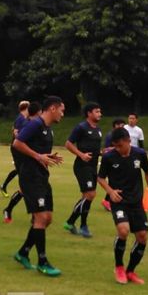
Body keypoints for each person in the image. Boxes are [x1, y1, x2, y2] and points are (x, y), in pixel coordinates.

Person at [12, 96, 65, 277]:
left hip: (42, 177)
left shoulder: (48, 129)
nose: (62, 114)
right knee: (41, 218)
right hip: (30, 177)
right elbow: (17, 143)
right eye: (61, 110)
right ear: (52, 108)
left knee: (47, 219)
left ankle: (23, 252)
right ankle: (43, 262)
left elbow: (39, 150)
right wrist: (38, 156)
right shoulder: (35, 124)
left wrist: (48, 156)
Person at [98, 126, 148, 284]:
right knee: (123, 230)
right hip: (119, 201)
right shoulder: (109, 157)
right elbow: (101, 178)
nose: (117, 149)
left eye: (120, 145)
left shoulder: (140, 154)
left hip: (136, 202)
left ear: (128, 141)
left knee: (142, 236)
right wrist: (110, 191)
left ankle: (130, 271)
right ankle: (119, 267)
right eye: (115, 146)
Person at [63, 102, 103, 238]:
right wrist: (81, 155)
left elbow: (94, 148)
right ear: (89, 113)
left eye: (100, 111)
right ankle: (83, 226)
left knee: (87, 197)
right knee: (90, 195)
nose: (100, 114)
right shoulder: (81, 127)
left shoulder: (98, 129)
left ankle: (70, 222)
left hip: (93, 166)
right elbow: (68, 144)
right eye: (97, 111)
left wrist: (102, 152)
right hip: (82, 166)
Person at [2, 101, 40, 223]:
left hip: (33, 160)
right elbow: (17, 139)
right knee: (28, 187)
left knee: (32, 187)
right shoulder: (25, 122)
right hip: (24, 159)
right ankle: (10, 209)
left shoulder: (36, 124)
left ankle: (11, 210)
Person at [0, 100, 30, 198]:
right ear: (26, 108)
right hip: (16, 148)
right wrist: (21, 139)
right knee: (21, 169)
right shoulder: (20, 118)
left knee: (20, 169)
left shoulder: (25, 119)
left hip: (21, 147)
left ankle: (4, 186)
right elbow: (15, 132)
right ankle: (23, 190)